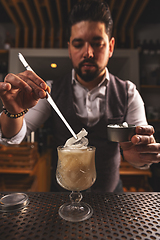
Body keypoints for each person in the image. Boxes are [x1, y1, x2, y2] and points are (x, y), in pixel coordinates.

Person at [0, 0, 159, 193]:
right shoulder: (50, 90)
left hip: (109, 199)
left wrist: (139, 156)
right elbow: (16, 138)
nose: (88, 53)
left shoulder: (128, 93)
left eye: (97, 43)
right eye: (78, 44)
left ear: (110, 46)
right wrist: (13, 112)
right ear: (69, 49)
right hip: (63, 196)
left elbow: (138, 152)